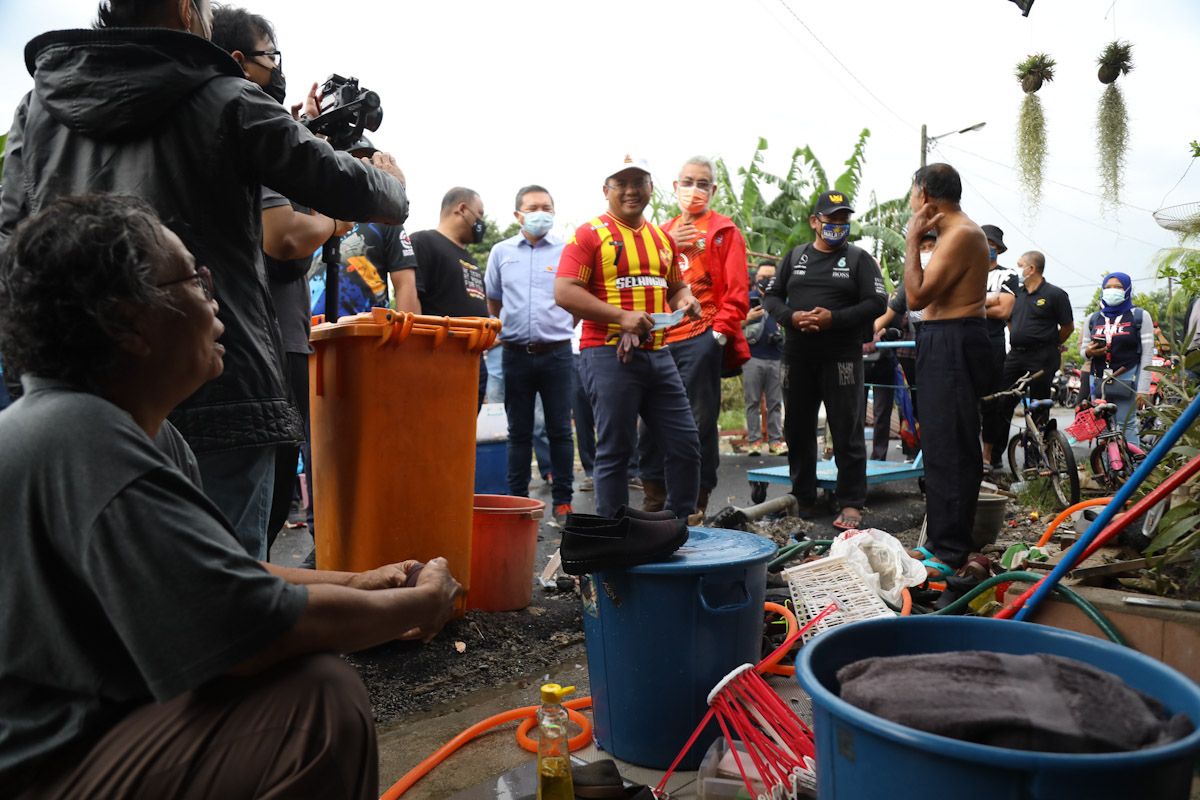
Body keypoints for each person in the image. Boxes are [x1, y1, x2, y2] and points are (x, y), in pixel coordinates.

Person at [0, 195, 461, 800]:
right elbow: (246, 629)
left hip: (105, 728)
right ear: (127, 323)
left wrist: (359, 582)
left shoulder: (143, 433)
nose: (215, 303)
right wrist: (418, 607)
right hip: (42, 770)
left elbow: (225, 576)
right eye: (196, 279)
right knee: (314, 707)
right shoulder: (81, 435)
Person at [0, 0, 410, 561]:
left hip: (82, 391)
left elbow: (11, 248)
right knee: (231, 592)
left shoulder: (36, 108)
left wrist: (33, 379)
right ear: (184, 11)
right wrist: (390, 182)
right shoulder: (224, 96)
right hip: (220, 381)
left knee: (109, 586)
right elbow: (343, 184)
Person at [555, 156, 702, 520]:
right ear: (607, 191)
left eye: (639, 181)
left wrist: (685, 299)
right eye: (621, 183)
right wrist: (621, 317)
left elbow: (676, 286)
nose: (632, 190)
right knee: (616, 452)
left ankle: (679, 526)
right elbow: (564, 291)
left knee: (686, 446)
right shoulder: (589, 235)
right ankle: (614, 538)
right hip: (607, 354)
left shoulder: (661, 238)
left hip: (659, 354)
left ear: (651, 187)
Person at [764, 190, 887, 531]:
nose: (837, 226)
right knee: (798, 428)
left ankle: (851, 502)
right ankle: (803, 496)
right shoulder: (795, 257)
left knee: (846, 429)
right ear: (814, 222)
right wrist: (791, 317)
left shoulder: (859, 260)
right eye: (831, 219)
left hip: (841, 358)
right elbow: (772, 297)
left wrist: (834, 319)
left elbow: (877, 302)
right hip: (798, 356)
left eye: (843, 220)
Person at [639, 157, 749, 520]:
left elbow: (737, 291)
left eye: (703, 183)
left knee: (697, 424)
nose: (695, 190)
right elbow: (643, 279)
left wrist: (716, 336)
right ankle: (655, 501)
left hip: (701, 335)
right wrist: (667, 243)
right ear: (674, 187)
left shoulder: (723, 230)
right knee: (651, 421)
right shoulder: (659, 232)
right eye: (688, 182)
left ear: (713, 190)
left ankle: (694, 506)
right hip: (659, 337)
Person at [902, 163, 991, 578]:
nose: (910, 202)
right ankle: (941, 541)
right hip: (942, 338)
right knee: (938, 443)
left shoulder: (962, 234)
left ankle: (952, 548)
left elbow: (916, 296)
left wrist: (910, 240)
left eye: (912, 193)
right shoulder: (952, 235)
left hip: (954, 338)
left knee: (952, 446)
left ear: (925, 196)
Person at [486, 185, 576, 524]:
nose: (542, 213)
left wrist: (560, 326)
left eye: (547, 207)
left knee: (560, 431)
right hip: (515, 354)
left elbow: (575, 300)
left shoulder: (567, 251)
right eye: (534, 207)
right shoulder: (501, 252)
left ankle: (563, 500)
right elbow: (494, 299)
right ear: (518, 214)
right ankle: (518, 500)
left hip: (557, 353)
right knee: (519, 431)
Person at [412, 187, 491, 409]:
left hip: (474, 358)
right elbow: (412, 298)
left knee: (462, 433)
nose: (481, 222)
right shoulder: (423, 241)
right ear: (462, 209)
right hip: (440, 356)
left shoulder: (470, 258)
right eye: (480, 214)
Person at [874, 230, 936, 460]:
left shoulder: (947, 276)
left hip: (939, 348)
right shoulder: (907, 285)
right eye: (923, 247)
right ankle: (914, 450)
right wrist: (867, 334)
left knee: (932, 402)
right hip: (909, 352)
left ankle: (934, 452)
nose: (926, 251)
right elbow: (888, 316)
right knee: (909, 403)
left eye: (931, 246)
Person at [997, 251, 1074, 432]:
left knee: (1039, 406)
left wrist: (1052, 343)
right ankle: (993, 454)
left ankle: (1036, 456)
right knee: (1003, 399)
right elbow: (1009, 320)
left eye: (1020, 265)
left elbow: (1067, 327)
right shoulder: (1016, 295)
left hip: (1043, 356)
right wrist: (1019, 335)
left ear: (1031, 269)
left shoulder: (1055, 294)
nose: (1018, 270)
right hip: (1016, 355)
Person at [1080, 272, 1154, 444]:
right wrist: (1090, 352)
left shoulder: (1139, 316)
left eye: (1118, 287)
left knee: (1126, 425)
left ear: (1127, 289)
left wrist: (1143, 389)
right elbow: (1083, 352)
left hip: (1127, 377)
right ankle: (1108, 468)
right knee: (1102, 426)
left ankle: (1134, 470)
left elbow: (1147, 353)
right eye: (1108, 287)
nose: (1112, 290)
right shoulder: (1093, 319)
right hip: (1098, 379)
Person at [978, 224, 1020, 476]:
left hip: (993, 345)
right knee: (965, 401)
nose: (987, 250)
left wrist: (970, 304)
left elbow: (1004, 310)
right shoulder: (965, 272)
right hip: (964, 342)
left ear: (999, 250)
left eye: (992, 246)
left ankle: (988, 455)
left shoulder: (1008, 276)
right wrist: (989, 300)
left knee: (992, 402)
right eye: (983, 244)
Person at [743, 262, 785, 456]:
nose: (765, 281)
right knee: (752, 401)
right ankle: (754, 442)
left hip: (776, 357)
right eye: (762, 277)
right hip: (752, 357)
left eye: (770, 277)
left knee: (775, 402)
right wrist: (748, 317)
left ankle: (775, 442)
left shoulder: (781, 301)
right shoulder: (747, 299)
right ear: (755, 278)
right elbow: (734, 323)